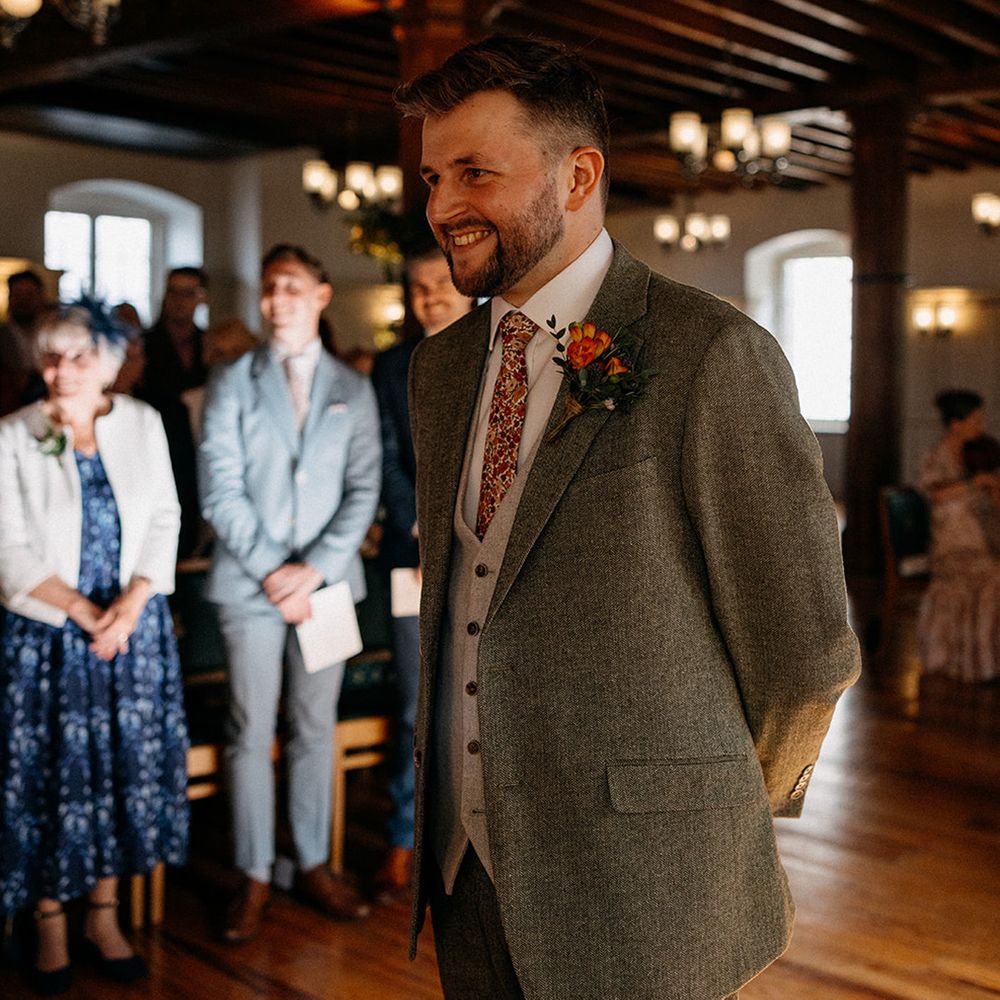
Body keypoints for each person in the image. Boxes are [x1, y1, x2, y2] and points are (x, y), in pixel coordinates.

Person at [394, 35, 861, 1000]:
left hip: (649, 887)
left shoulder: (710, 353)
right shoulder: (439, 372)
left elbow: (806, 652)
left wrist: (706, 805)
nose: (441, 207)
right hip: (465, 873)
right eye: (434, 176)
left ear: (579, 175)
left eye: (475, 172)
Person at [0, 303, 188, 994]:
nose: (60, 370)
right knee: (49, 777)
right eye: (50, 356)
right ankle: (46, 922)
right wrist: (84, 613)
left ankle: (102, 917)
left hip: (130, 636)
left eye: (78, 356)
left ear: (108, 362)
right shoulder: (14, 435)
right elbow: (7, 546)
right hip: (49, 640)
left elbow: (166, 516)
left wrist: (131, 606)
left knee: (116, 774)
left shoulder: (141, 423)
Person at [199, 244, 381, 944]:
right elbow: (220, 486)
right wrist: (277, 570)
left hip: (329, 588)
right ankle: (252, 873)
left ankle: (310, 862)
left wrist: (316, 569)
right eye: (271, 288)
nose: (279, 298)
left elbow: (363, 488)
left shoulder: (353, 388)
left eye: (293, 286)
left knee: (315, 728)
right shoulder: (233, 380)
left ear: (322, 294)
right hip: (251, 585)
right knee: (250, 731)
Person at [369, 244, 473, 903]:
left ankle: (470, 840)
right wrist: (420, 526)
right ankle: (404, 837)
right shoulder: (389, 366)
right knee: (414, 703)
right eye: (417, 286)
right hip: (412, 557)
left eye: (440, 282)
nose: (429, 295)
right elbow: (382, 456)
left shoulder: (502, 353)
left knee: (478, 702)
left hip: (484, 553)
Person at [917, 390, 1000, 681]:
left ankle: (985, 661)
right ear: (956, 423)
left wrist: (992, 488)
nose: (981, 425)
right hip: (950, 549)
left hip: (979, 543)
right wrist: (974, 483)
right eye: (975, 419)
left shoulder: (976, 456)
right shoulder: (935, 458)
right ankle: (977, 665)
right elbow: (936, 494)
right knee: (993, 577)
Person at [142, 266, 209, 402]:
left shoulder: (209, 342)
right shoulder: (144, 344)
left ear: (202, 298)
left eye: (188, 293)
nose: (179, 300)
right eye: (172, 291)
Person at [0, 270, 48, 416]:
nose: (23, 301)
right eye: (17, 295)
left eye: (29, 295)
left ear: (41, 297)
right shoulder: (2, 335)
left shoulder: (51, 333)